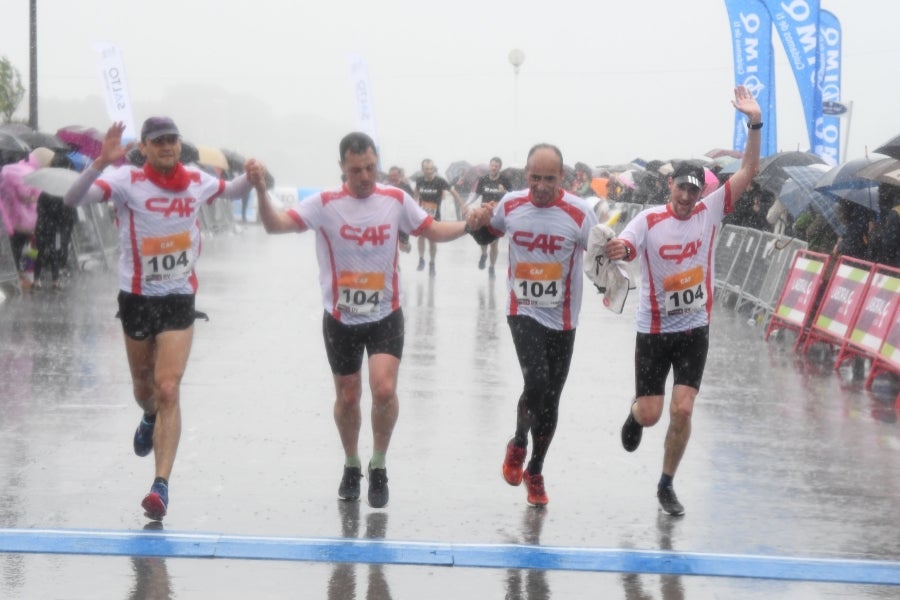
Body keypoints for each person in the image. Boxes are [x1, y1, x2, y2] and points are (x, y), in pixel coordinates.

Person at [250, 132, 478, 508]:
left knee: (384, 390)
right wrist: (260, 191)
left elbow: (433, 230)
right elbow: (275, 225)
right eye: (356, 170)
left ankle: (379, 464)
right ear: (342, 167)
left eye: (371, 168)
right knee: (348, 396)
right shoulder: (324, 204)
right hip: (341, 319)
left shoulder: (395, 199)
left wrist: (469, 225)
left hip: (385, 314)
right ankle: (352, 462)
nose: (365, 177)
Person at [63, 117, 260, 521]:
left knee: (168, 387)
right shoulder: (126, 180)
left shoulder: (195, 180)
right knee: (144, 387)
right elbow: (71, 199)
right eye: (158, 141)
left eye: (172, 140)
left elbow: (232, 191)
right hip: (136, 297)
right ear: (145, 148)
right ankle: (148, 415)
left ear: (179, 145)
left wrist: (252, 177)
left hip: (178, 298)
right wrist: (100, 163)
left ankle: (160, 487)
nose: (167, 146)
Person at [604, 86, 762, 516]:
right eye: (681, 190)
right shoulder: (649, 219)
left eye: (694, 191)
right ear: (670, 186)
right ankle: (635, 414)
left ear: (700, 192)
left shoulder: (711, 210)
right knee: (653, 414)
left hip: (694, 328)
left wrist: (754, 122)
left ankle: (666, 484)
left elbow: (749, 169)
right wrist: (619, 248)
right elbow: (627, 244)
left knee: (684, 408)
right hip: (654, 330)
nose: (688, 198)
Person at [466, 143, 599, 506]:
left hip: (563, 317)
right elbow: (486, 235)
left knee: (551, 398)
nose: (541, 186)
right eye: (535, 177)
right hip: (522, 309)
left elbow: (599, 257)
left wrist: (613, 272)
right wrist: (475, 223)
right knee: (536, 382)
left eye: (549, 179)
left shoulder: (580, 213)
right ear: (526, 174)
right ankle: (518, 442)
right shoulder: (511, 204)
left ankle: (535, 470)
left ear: (562, 177)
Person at [414, 159, 465, 276]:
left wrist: (462, 205)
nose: (429, 171)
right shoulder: (419, 180)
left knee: (432, 240)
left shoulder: (439, 181)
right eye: (426, 169)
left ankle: (432, 263)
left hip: (435, 216)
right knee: (421, 237)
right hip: (421, 214)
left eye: (431, 169)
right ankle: (421, 259)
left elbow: (453, 192)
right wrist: (412, 205)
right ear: (422, 170)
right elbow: (415, 193)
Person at [473, 157, 512, 276]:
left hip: (496, 215)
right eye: (492, 165)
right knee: (482, 241)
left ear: (499, 168)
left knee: (494, 243)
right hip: (483, 214)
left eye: (496, 166)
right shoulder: (483, 179)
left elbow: (511, 196)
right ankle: (484, 254)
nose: (494, 168)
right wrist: (466, 204)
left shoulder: (504, 180)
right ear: (489, 166)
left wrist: (504, 192)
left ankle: (492, 267)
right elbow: (476, 195)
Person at [868, 183, 900, 267]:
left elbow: (889, 243)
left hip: (893, 263)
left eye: (879, 195)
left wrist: (873, 233)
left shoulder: (895, 213)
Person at [387, 166, 414, 253]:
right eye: (391, 176)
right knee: (391, 244)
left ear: (399, 175)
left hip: (403, 219)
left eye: (394, 175)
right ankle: (395, 261)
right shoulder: (386, 187)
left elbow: (411, 201)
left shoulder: (405, 187)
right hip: (390, 219)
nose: (392, 178)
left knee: (403, 247)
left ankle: (407, 246)